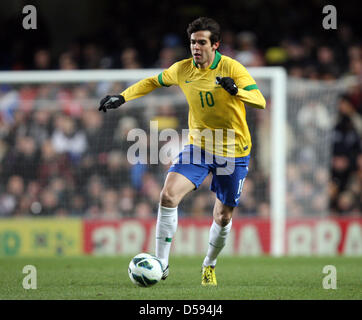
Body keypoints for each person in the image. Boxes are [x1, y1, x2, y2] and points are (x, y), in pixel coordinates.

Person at [99, 17, 266, 286]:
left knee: (223, 216)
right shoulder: (183, 69)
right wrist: (122, 97)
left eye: (202, 42)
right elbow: (152, 81)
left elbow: (260, 100)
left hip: (233, 151)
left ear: (215, 45)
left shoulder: (232, 68)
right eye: (192, 42)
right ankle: (162, 263)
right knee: (167, 195)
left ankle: (209, 264)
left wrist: (237, 92)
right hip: (199, 146)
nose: (196, 47)